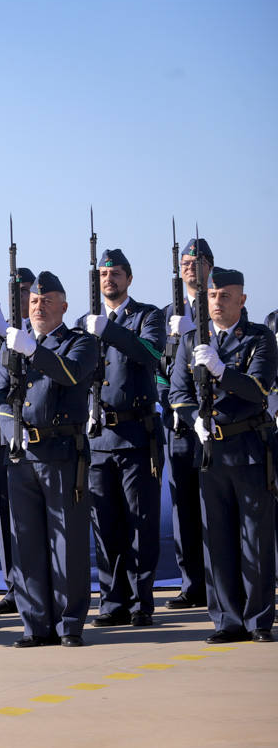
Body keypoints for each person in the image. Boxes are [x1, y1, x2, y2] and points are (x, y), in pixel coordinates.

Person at [0, 271, 98, 647]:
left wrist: (33, 351)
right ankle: (35, 624)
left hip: (62, 455)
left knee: (67, 543)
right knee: (27, 543)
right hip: (21, 456)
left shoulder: (79, 343)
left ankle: (69, 624)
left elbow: (70, 374)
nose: (39, 306)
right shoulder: (11, 348)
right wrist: (9, 430)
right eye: (34, 301)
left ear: (64, 307)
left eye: (47, 301)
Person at [169, 266, 276, 644]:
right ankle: (227, 620)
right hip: (210, 451)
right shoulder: (191, 341)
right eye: (212, 295)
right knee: (217, 540)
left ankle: (258, 620)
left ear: (242, 300)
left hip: (248, 448)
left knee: (255, 540)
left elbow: (259, 388)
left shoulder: (259, 338)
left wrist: (220, 370)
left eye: (226, 295)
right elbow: (177, 393)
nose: (217, 302)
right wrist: (190, 419)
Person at [76, 249, 165, 627]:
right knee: (106, 525)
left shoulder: (148, 316)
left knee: (140, 523)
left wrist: (108, 330)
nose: (108, 280)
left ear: (129, 279)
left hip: (135, 436)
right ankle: (111, 600)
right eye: (102, 274)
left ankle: (140, 602)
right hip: (98, 439)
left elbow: (150, 352)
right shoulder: (84, 322)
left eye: (115, 273)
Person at [159, 238, 214, 610]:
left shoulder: (218, 305)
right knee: (183, 505)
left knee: (214, 504)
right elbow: (157, 368)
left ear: (210, 265)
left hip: (211, 420)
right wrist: (173, 336)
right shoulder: (166, 314)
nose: (189, 267)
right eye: (184, 262)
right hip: (177, 422)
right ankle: (191, 582)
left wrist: (195, 326)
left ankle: (218, 581)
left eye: (196, 261)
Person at [0, 266, 36, 616]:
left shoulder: (40, 332)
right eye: (14, 293)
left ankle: (39, 584)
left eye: (25, 293)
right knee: (5, 514)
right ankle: (13, 585)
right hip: (4, 434)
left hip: (37, 434)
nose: (19, 299)